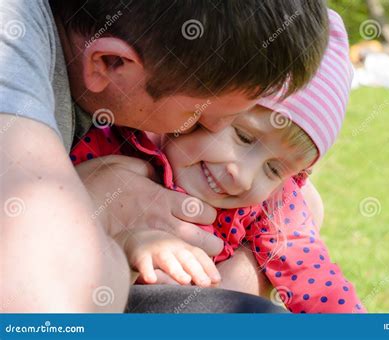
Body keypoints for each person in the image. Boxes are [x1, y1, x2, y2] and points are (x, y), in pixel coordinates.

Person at [0, 0, 329, 312]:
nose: (214, 127)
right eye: (199, 112)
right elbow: (46, 307)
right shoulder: (11, 54)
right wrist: (98, 210)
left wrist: (242, 274)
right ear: (110, 62)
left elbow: (307, 205)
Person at [69, 10, 365, 313]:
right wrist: (128, 243)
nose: (243, 176)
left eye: (274, 169)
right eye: (244, 138)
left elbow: (318, 283)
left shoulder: (273, 205)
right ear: (212, 109)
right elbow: (55, 241)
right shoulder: (112, 147)